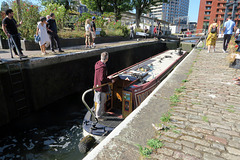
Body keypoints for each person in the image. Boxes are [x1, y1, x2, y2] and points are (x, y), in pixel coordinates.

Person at [94, 52, 113, 120]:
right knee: (100, 102)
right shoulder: (103, 67)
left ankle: (101, 112)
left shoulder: (97, 64)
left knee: (100, 101)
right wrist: (110, 80)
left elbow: (100, 76)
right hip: (101, 87)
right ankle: (98, 116)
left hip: (96, 86)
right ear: (107, 58)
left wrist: (107, 77)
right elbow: (102, 78)